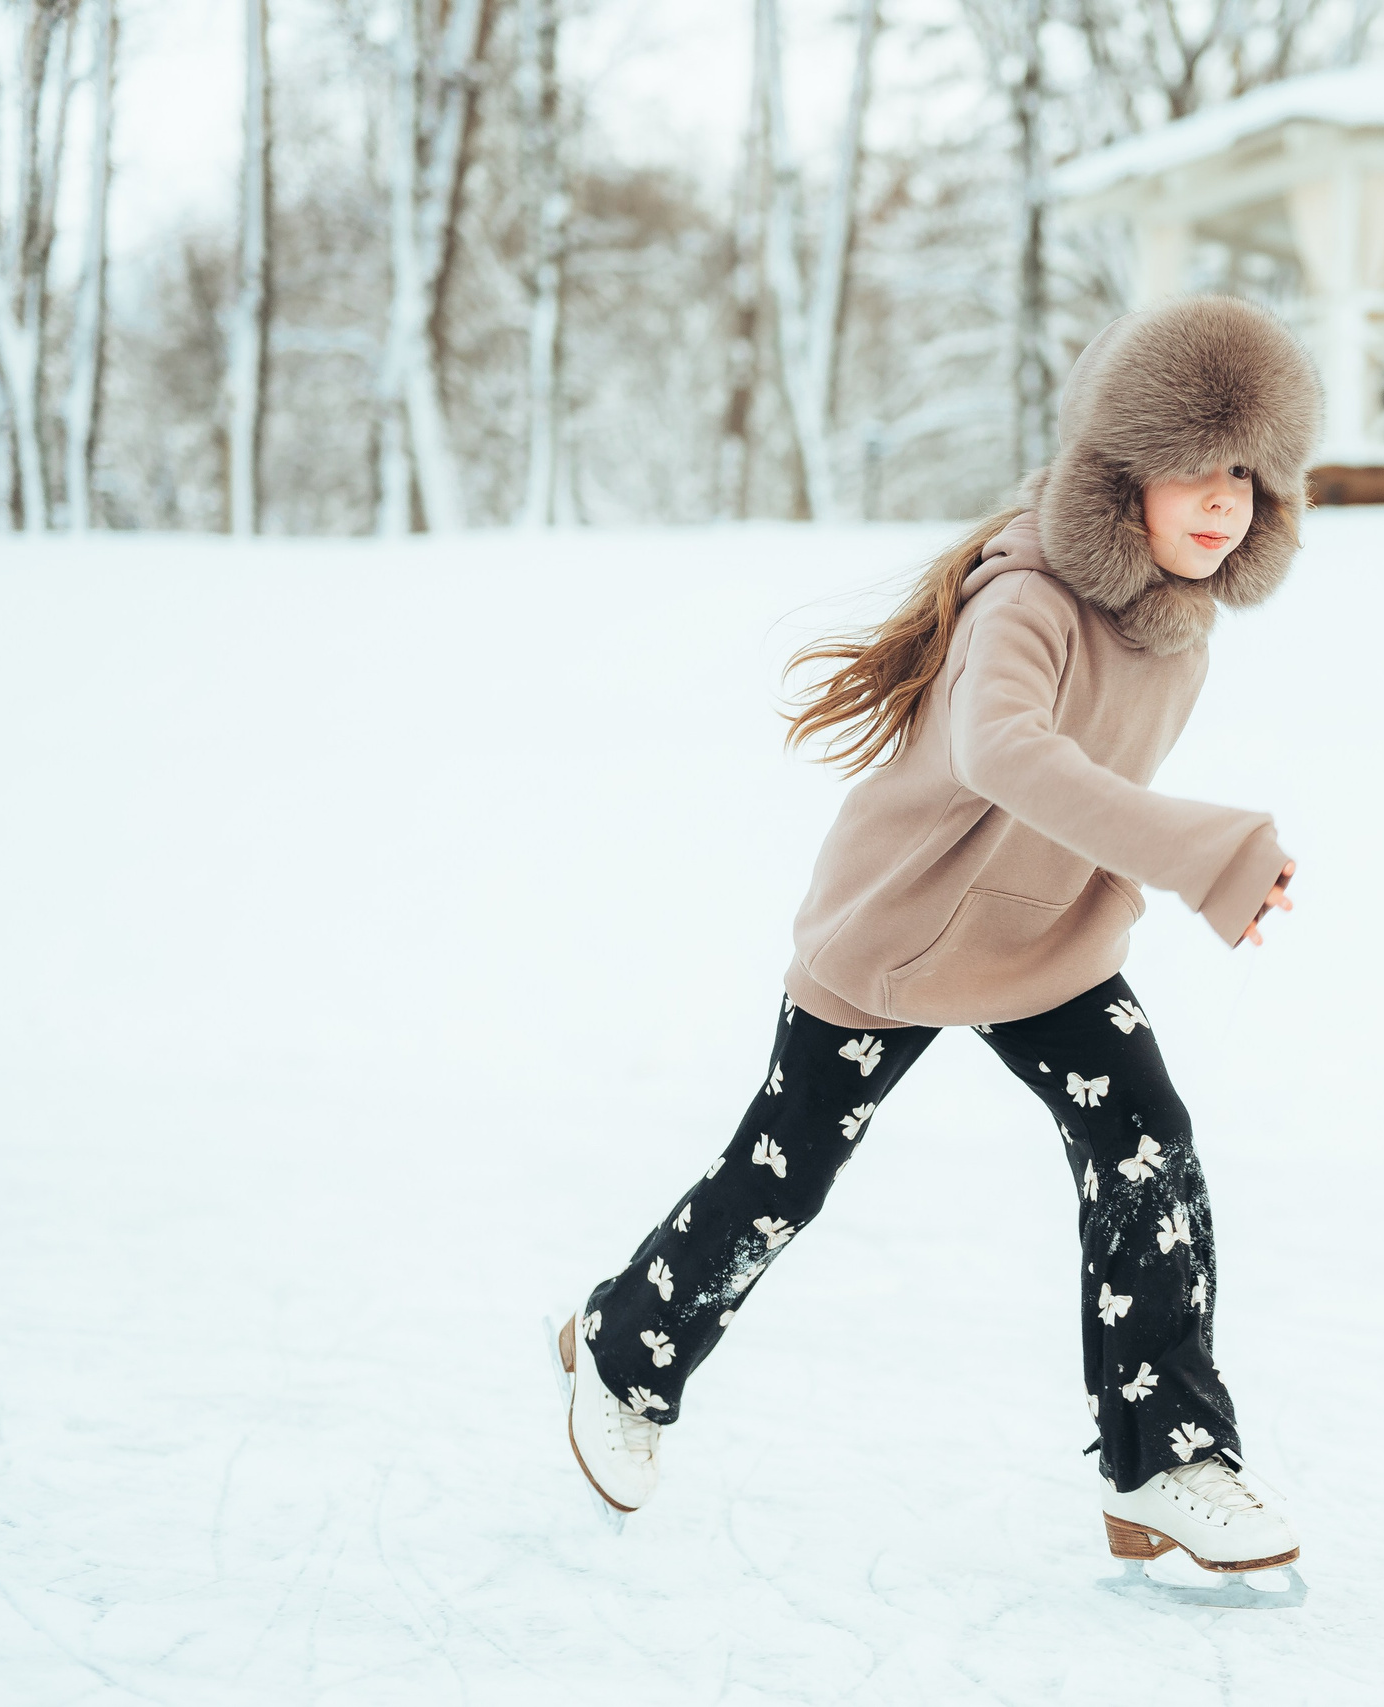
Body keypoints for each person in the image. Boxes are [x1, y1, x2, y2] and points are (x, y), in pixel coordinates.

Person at [552, 295, 1320, 1594]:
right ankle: (624, 1351)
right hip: (895, 941)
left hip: (1046, 948)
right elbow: (1005, 755)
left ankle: (1165, 1461)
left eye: (1245, 472)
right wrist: (1202, 853)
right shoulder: (1023, 602)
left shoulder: (1177, 634)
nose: (1222, 499)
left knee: (1146, 1148)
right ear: (1118, 477)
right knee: (782, 1175)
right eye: (1192, 466)